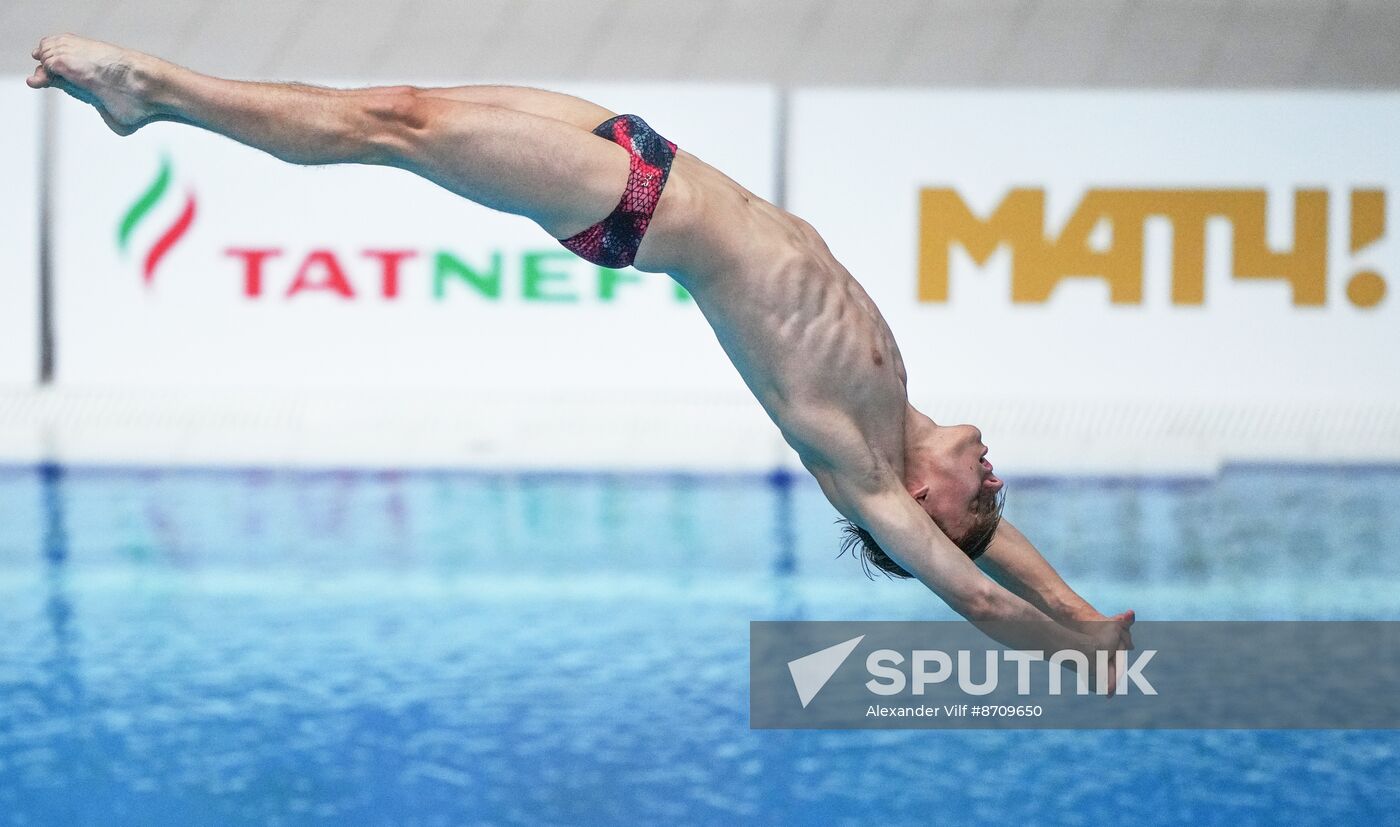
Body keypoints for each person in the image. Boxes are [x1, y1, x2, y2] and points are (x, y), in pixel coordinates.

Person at [27, 34, 1134, 676]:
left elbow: (981, 596)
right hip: (644, 153)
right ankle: (152, 102)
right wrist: (1082, 618)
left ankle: (155, 96)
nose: (991, 480)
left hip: (636, 211)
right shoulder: (896, 412)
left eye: (977, 498)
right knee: (395, 104)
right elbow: (999, 554)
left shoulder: (860, 463)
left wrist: (1056, 656)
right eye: (990, 491)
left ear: (924, 512)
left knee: (392, 133)